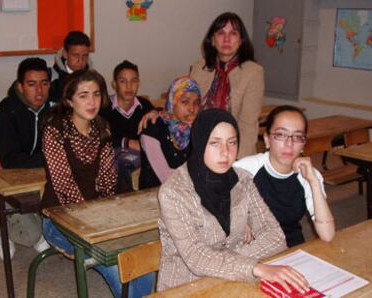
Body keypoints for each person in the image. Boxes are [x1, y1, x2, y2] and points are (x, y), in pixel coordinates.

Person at [157, 109, 310, 294]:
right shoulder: (174, 192)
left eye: (232, 143)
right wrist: (253, 267)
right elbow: (196, 258)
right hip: (186, 288)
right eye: (214, 143)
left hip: (233, 282)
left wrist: (228, 263)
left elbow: (275, 235)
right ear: (200, 141)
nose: (225, 152)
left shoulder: (242, 180)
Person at [41, 69, 153, 298]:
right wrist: (99, 228)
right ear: (69, 100)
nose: (92, 102)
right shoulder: (55, 131)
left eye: (96, 94)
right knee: (116, 263)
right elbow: (65, 187)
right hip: (61, 220)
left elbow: (107, 182)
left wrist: (111, 219)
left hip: (98, 216)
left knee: (141, 256)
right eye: (83, 95)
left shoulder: (102, 127)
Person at [235, 105, 335, 247]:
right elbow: (212, 203)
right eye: (281, 135)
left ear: (303, 144)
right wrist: (236, 221)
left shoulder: (308, 175)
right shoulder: (245, 169)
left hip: (290, 246)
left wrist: (313, 182)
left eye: (297, 136)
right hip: (252, 250)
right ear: (267, 140)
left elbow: (327, 234)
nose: (289, 143)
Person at [0, 57, 53, 258]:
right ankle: (5, 230)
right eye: (32, 84)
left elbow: (62, 152)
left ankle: (20, 222)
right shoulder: (7, 110)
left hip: (38, 177)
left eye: (44, 83)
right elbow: (9, 160)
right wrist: (49, 158)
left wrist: (13, 162)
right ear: (20, 86)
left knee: (60, 224)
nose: (39, 90)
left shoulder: (53, 110)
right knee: (32, 235)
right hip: (2, 181)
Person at [190, 12, 264, 159]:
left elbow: (248, 124)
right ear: (212, 40)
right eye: (221, 33)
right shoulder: (200, 67)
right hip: (201, 141)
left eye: (233, 33)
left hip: (233, 147)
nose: (226, 38)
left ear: (241, 40)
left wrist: (236, 160)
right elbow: (185, 104)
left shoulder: (253, 72)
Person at [99, 60, 154, 193]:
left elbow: (155, 133)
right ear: (114, 84)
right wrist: (128, 142)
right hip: (115, 156)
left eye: (133, 81)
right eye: (123, 81)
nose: (129, 86)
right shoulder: (103, 107)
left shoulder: (145, 106)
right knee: (120, 166)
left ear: (139, 83)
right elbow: (101, 137)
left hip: (140, 155)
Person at [139, 76, 201, 189]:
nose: (192, 109)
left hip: (189, 193)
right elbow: (166, 177)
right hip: (152, 197)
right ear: (173, 102)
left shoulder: (197, 127)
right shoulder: (152, 128)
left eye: (196, 102)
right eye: (185, 102)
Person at [50, 31, 92, 102]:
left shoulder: (93, 78)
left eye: (85, 55)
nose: (80, 60)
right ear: (65, 54)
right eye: (75, 55)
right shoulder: (53, 79)